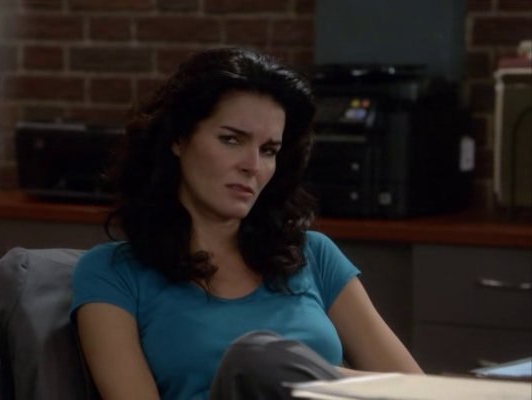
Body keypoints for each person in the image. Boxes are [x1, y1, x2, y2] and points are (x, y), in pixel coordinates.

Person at [71, 47, 422, 400]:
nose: (252, 165)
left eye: (268, 150)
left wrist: (299, 376)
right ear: (178, 138)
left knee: (266, 362)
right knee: (256, 361)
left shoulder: (313, 254)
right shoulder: (112, 273)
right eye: (231, 140)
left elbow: (419, 391)